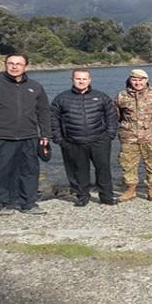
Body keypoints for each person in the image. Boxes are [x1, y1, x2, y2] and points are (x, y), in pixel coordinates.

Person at [0, 53, 51, 215]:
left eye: (18, 64)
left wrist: (45, 135)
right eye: (11, 63)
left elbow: (43, 112)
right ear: (6, 65)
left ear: (25, 66)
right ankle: (0, 203)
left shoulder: (35, 86)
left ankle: (28, 203)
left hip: (28, 137)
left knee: (28, 171)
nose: (14, 67)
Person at [51, 69, 119, 207]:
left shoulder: (101, 96)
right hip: (73, 141)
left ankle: (106, 196)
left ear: (89, 80)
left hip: (99, 140)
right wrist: (59, 139)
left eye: (84, 79)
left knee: (103, 169)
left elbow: (111, 116)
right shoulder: (62, 98)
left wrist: (110, 135)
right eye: (78, 79)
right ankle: (82, 196)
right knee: (79, 171)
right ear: (72, 79)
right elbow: (53, 120)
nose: (81, 81)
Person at [114, 69, 152, 202]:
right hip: (129, 137)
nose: (138, 82)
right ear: (130, 80)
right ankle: (130, 190)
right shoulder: (122, 96)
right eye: (135, 79)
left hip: (151, 136)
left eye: (141, 79)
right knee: (128, 165)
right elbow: (116, 116)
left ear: (146, 80)